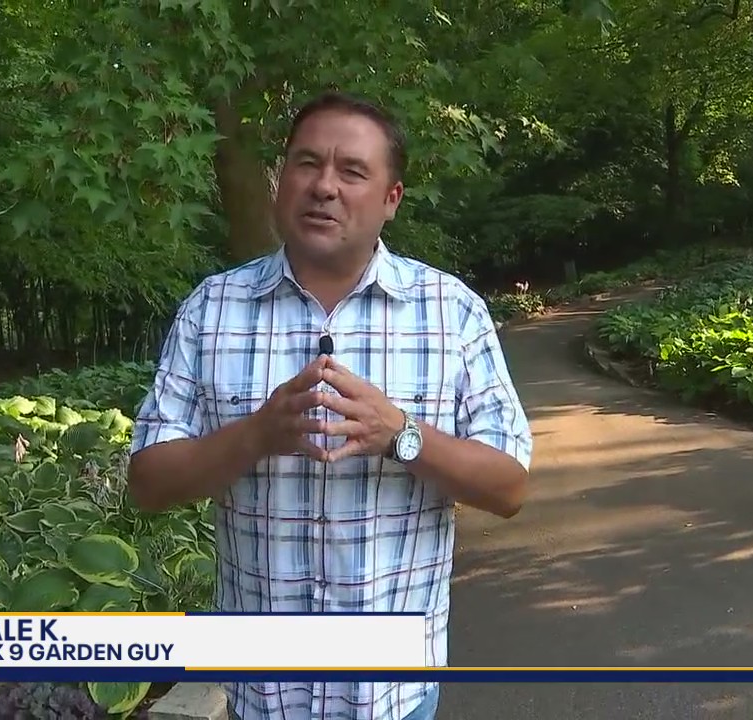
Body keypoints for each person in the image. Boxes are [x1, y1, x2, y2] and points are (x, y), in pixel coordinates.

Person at [127, 90, 533, 720]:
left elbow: (508, 487)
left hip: (392, 697)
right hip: (261, 695)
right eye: (307, 163)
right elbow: (148, 483)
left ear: (391, 198)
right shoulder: (211, 309)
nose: (324, 186)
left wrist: (402, 434)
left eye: (353, 171)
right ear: (280, 180)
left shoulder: (452, 313)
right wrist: (256, 434)